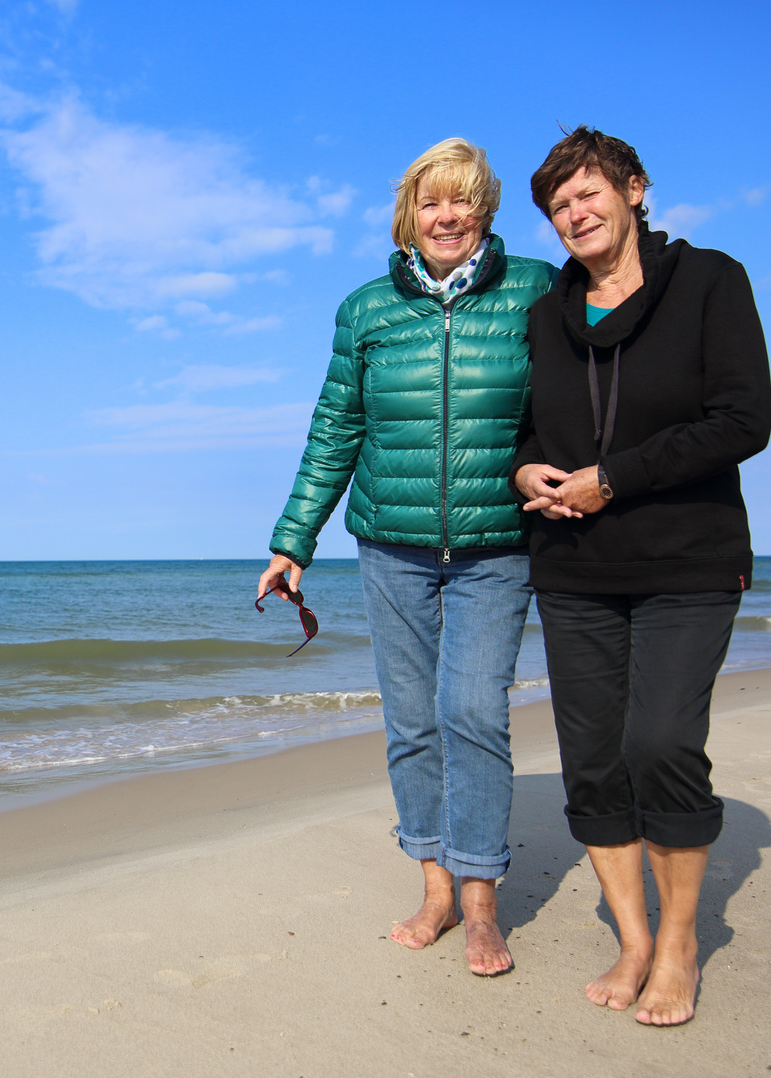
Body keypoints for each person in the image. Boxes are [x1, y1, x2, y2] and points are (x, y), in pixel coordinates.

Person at [258, 138, 556, 976]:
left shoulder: (535, 288)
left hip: (497, 542)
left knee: (472, 713)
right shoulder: (365, 311)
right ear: (408, 216)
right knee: (412, 722)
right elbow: (334, 430)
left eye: (462, 200)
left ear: (484, 209)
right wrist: (292, 542)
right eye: (432, 202)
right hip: (389, 546)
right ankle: (433, 885)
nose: (447, 215)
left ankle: (480, 900)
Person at [513, 127, 771, 1025]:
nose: (573, 215)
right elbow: (526, 429)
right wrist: (525, 472)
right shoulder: (546, 312)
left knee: (658, 743)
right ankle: (632, 937)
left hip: (686, 560)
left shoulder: (709, 281)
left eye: (587, 195)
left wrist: (613, 477)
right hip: (573, 570)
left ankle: (680, 941)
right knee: (591, 762)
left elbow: (743, 420)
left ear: (633, 190)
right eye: (557, 207)